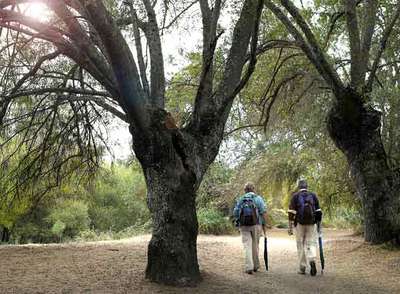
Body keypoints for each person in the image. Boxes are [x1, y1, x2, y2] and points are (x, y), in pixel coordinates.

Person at [288, 179, 322, 276]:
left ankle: (302, 268)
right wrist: (319, 226)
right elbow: (318, 211)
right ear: (307, 187)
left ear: (299, 187)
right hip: (311, 224)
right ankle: (312, 259)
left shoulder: (295, 196)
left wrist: (290, 227)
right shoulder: (313, 195)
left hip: (299, 224)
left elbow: (291, 213)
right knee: (310, 243)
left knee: (300, 245)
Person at [233, 182, 267, 274]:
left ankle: (249, 267)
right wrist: (264, 224)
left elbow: (235, 212)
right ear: (253, 189)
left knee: (247, 245)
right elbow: (263, 211)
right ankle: (256, 266)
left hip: (244, 225)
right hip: (256, 224)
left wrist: (238, 222)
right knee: (255, 245)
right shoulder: (258, 198)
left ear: (245, 190)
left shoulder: (241, 199)